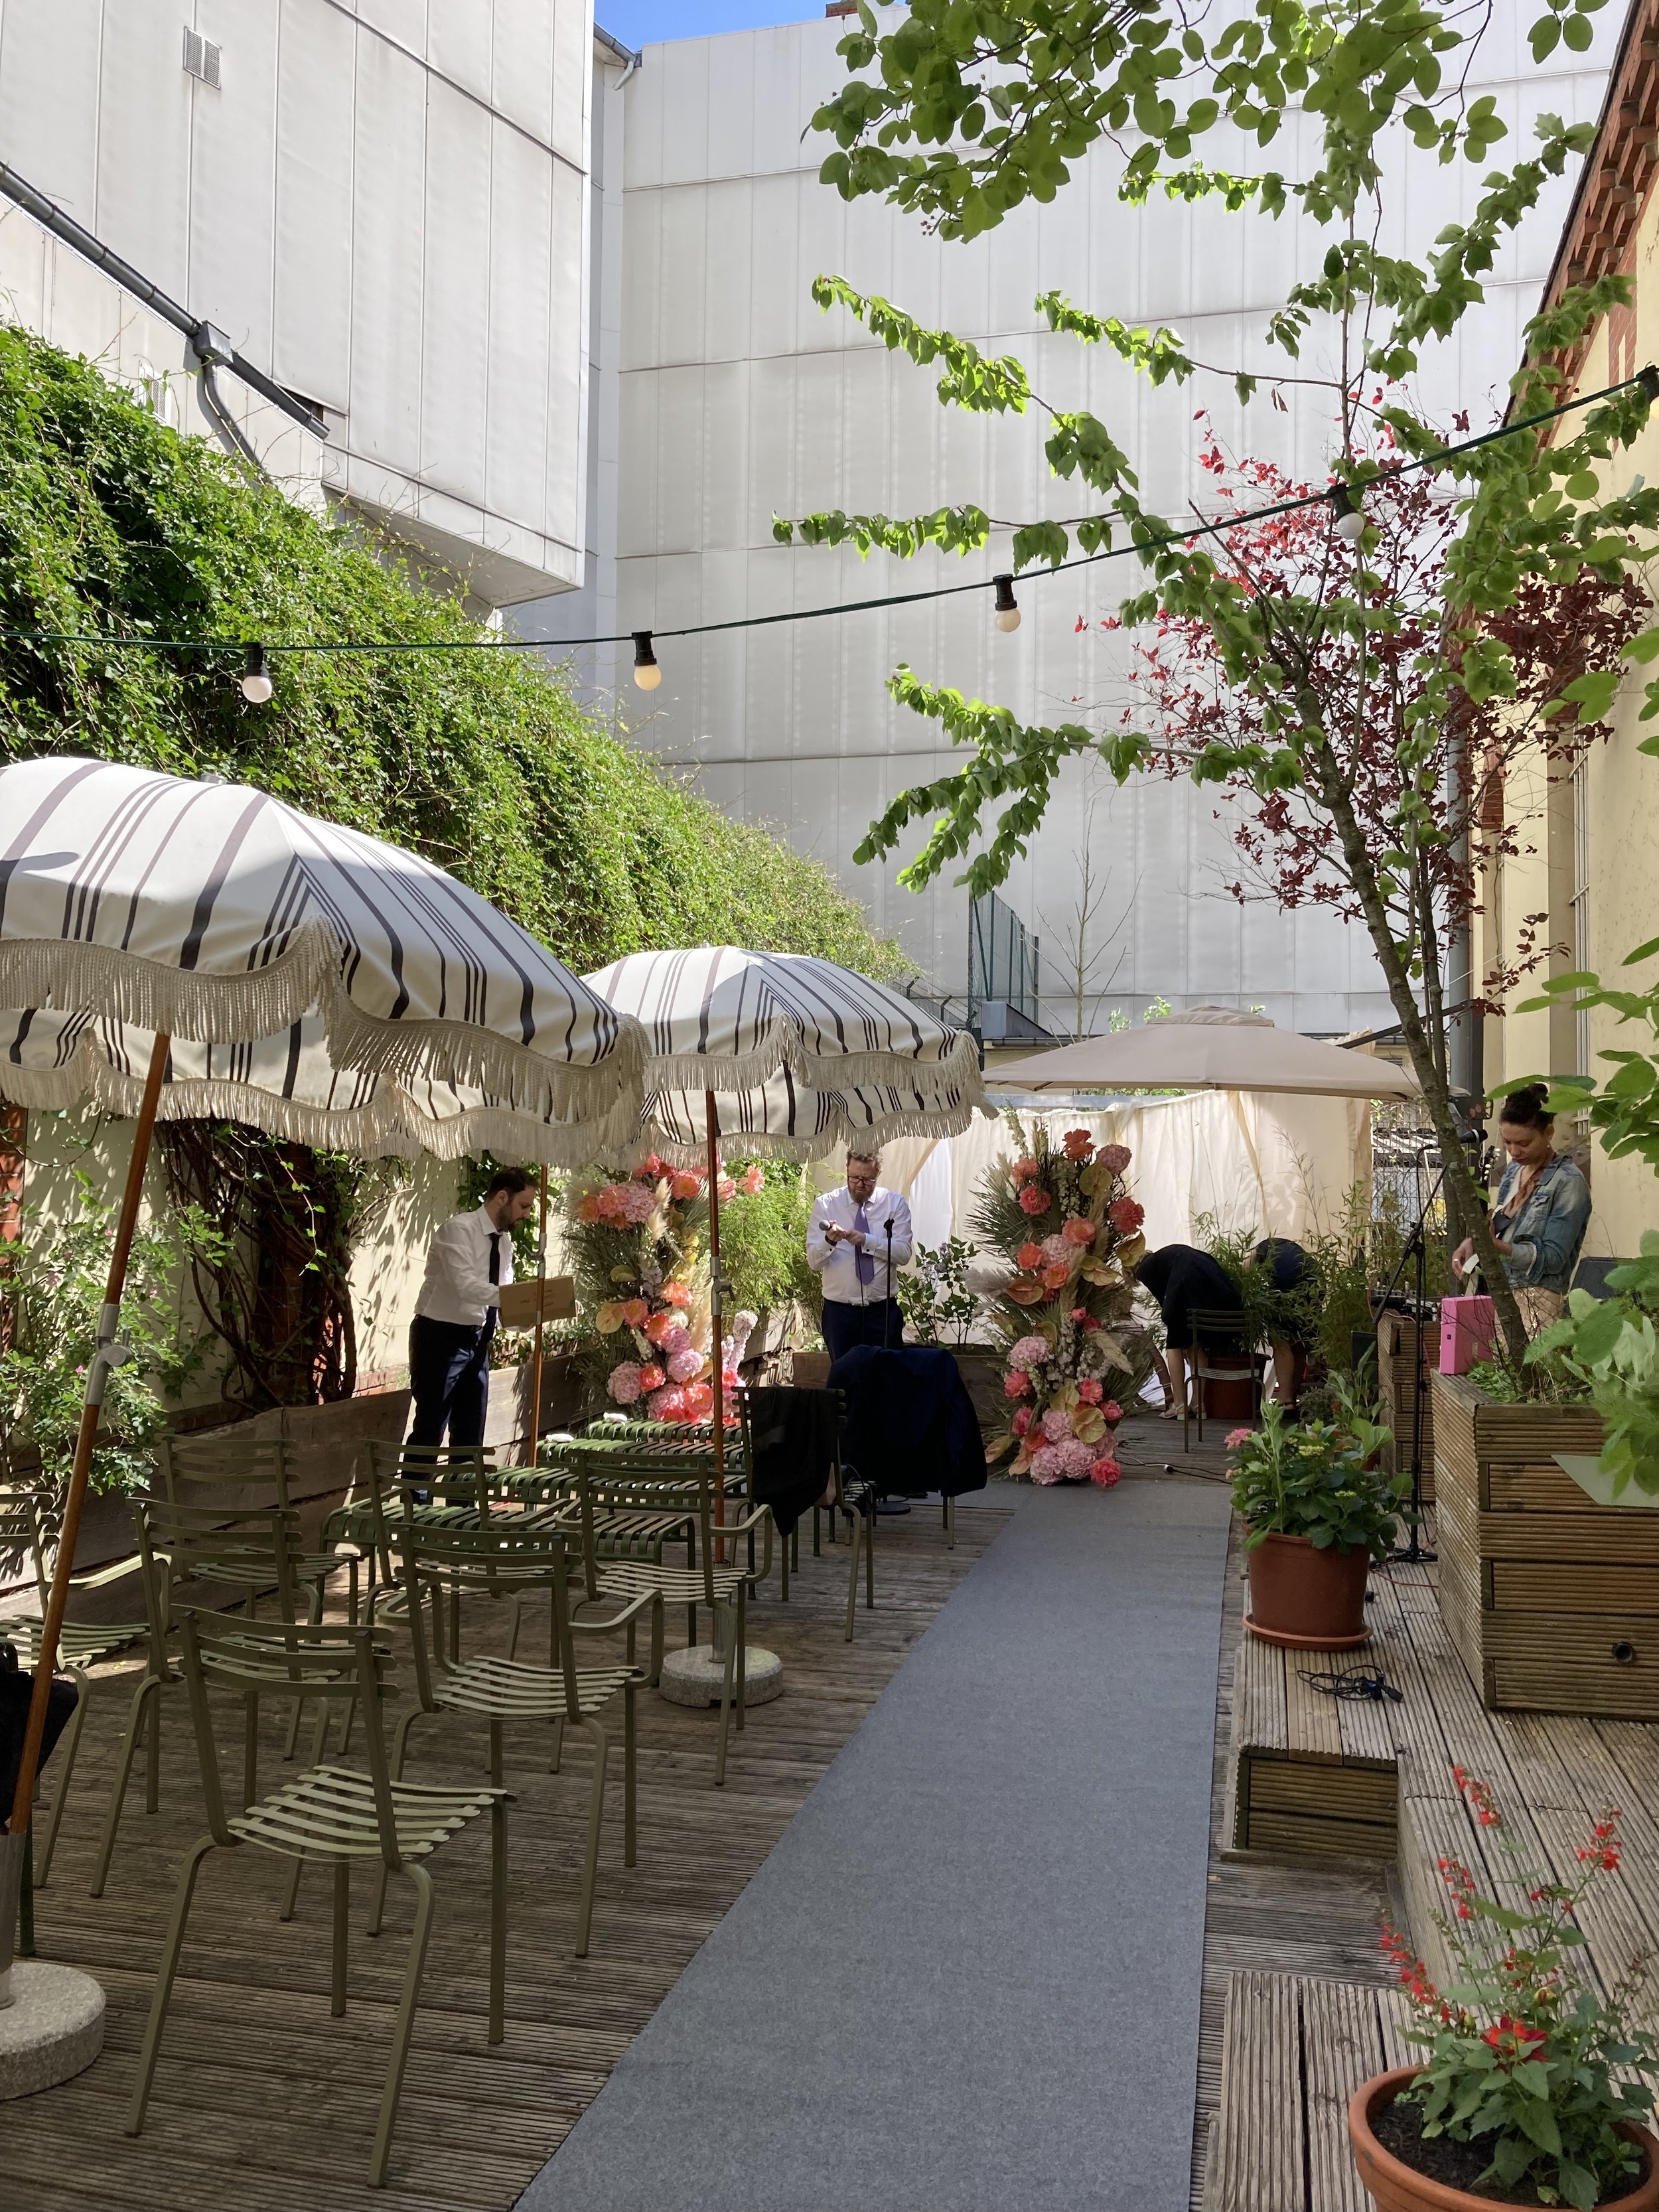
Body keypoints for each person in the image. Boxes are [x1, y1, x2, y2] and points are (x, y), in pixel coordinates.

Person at [407, 1165, 538, 1448]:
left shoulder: (505, 1244)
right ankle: (414, 1494)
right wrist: (517, 1299)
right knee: (430, 1428)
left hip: (478, 1341)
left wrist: (522, 1318)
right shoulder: (458, 1229)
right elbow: (464, 1286)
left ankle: (463, 1494)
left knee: (471, 1433)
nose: (527, 1214)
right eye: (524, 1205)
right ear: (502, 1197)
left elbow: (502, 1296)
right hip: (438, 1338)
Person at [1451, 1084, 1591, 1333]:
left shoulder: (1569, 1181)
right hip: (1505, 1293)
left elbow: (1555, 1259)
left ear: (1548, 1132)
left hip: (1542, 1299)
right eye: (1507, 1142)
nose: (1514, 1152)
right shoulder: (1514, 1171)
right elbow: (1503, 1226)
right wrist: (1475, 1241)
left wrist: (1498, 1248)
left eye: (1524, 1143)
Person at [807, 1149, 913, 1365]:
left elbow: (903, 1254)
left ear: (879, 1173)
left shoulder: (895, 1204)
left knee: (887, 1380)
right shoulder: (827, 1205)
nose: (859, 1185)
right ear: (847, 1170)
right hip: (840, 1314)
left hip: (882, 1313)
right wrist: (829, 1241)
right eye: (854, 1178)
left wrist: (867, 1241)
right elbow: (814, 1262)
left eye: (867, 1179)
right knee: (845, 1383)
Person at [1134, 1244, 1244, 1422]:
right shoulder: (1166, 1256)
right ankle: (1199, 1405)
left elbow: (1165, 1300)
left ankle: (1179, 1406)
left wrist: (1177, 1332)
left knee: (1174, 1343)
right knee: (1196, 1342)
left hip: (1185, 1278)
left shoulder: (1145, 1268)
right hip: (1211, 1281)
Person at [1245, 1236, 1315, 1406]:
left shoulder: (1262, 1248)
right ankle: (1292, 1394)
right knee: (1300, 1341)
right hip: (1312, 1275)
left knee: (1280, 1340)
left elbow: (1245, 1272)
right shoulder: (1284, 1246)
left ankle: (1285, 1400)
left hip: (1286, 1277)